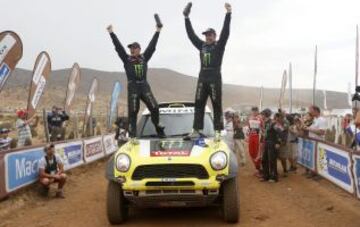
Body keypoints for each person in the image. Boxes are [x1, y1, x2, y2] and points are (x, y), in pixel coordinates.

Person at [107, 17, 165, 144]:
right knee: (133, 111)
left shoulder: (145, 57)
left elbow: (152, 46)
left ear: (139, 49)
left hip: (144, 85)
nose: (131, 50)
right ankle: (133, 137)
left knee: (154, 107)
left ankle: (158, 127)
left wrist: (157, 31)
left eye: (134, 48)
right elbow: (119, 48)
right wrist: (112, 33)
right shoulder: (127, 59)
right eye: (130, 48)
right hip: (133, 87)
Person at [183, 2, 232, 142]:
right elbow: (191, 35)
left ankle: (217, 132)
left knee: (216, 104)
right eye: (206, 35)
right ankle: (196, 130)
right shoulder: (202, 46)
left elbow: (226, 33)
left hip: (214, 77)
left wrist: (228, 14)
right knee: (198, 103)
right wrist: (186, 19)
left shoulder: (219, 46)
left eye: (210, 35)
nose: (208, 37)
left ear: (215, 36)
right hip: (202, 77)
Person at [261, 109, 282, 183]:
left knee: (272, 160)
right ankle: (266, 176)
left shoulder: (272, 123)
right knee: (264, 160)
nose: (261, 116)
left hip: (272, 143)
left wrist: (278, 143)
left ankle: (273, 177)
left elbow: (280, 131)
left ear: (266, 115)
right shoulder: (266, 123)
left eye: (262, 114)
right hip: (267, 143)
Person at [247, 107, 264, 177]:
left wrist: (262, 136)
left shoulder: (260, 118)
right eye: (253, 111)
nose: (254, 112)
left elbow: (263, 128)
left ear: (257, 111)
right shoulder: (250, 118)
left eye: (255, 111)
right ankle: (257, 168)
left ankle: (259, 170)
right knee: (251, 153)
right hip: (251, 137)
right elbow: (248, 128)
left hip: (257, 137)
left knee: (257, 153)